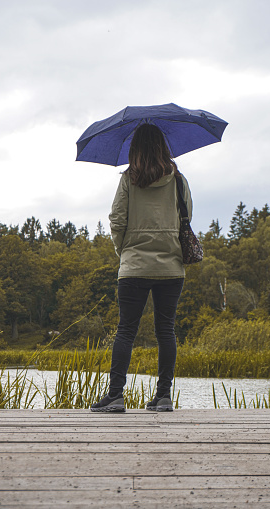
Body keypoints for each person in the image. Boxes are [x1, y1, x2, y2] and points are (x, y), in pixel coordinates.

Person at [91, 123, 192, 413]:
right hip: (171, 267)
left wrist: (124, 252)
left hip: (134, 265)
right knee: (166, 330)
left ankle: (115, 396)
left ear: (134, 148)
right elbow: (187, 214)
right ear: (164, 146)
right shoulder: (179, 180)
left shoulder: (128, 179)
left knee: (126, 330)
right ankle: (163, 397)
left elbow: (117, 219)